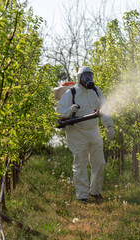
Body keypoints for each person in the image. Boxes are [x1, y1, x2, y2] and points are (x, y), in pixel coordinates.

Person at [56, 66, 114, 202]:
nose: (88, 79)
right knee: (80, 164)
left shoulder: (96, 91)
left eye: (90, 76)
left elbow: (104, 109)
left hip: (94, 131)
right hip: (77, 133)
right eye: (85, 76)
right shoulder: (71, 93)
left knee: (99, 163)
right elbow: (59, 113)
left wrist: (109, 126)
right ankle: (82, 196)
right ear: (79, 78)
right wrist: (70, 110)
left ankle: (95, 191)